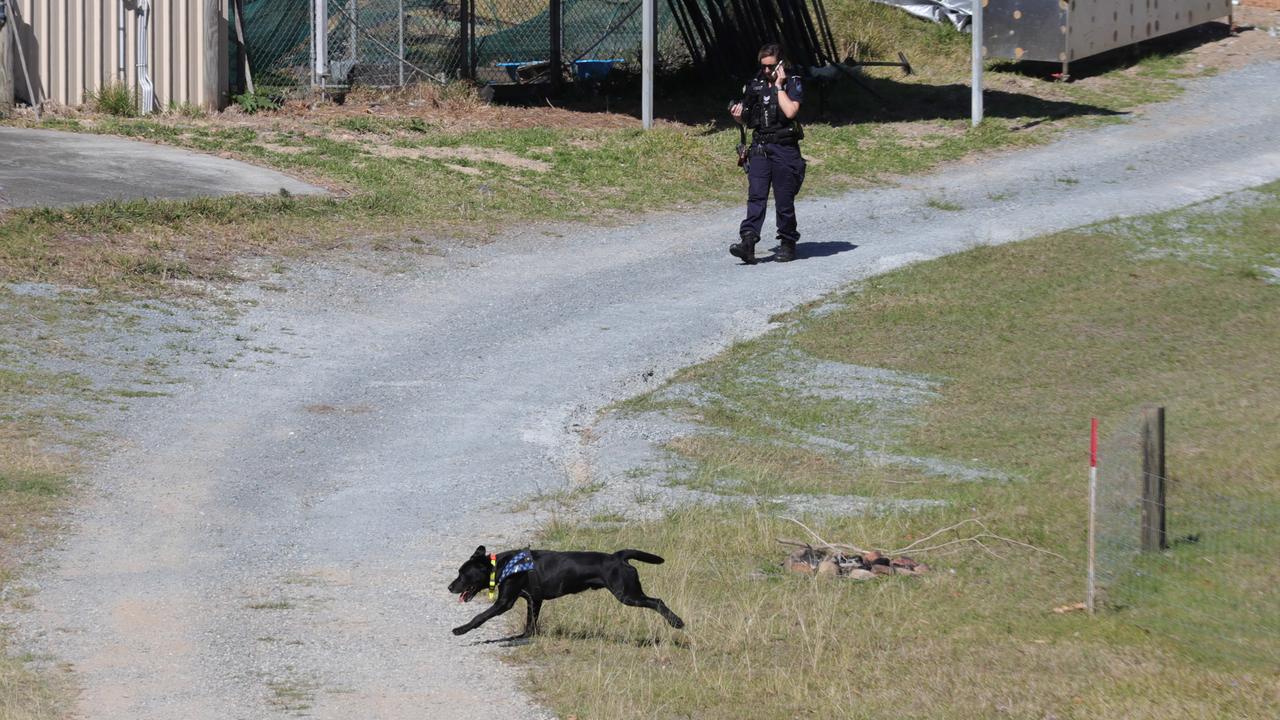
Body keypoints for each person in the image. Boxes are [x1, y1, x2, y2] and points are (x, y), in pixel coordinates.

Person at [728, 42, 806, 264]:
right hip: (760, 148)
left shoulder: (792, 82)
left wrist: (780, 86)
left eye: (770, 66)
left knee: (784, 199)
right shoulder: (756, 84)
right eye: (763, 66)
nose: (766, 71)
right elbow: (748, 117)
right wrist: (738, 115)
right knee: (756, 197)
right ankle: (748, 242)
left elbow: (790, 111)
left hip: (784, 148)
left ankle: (788, 242)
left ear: (781, 64)